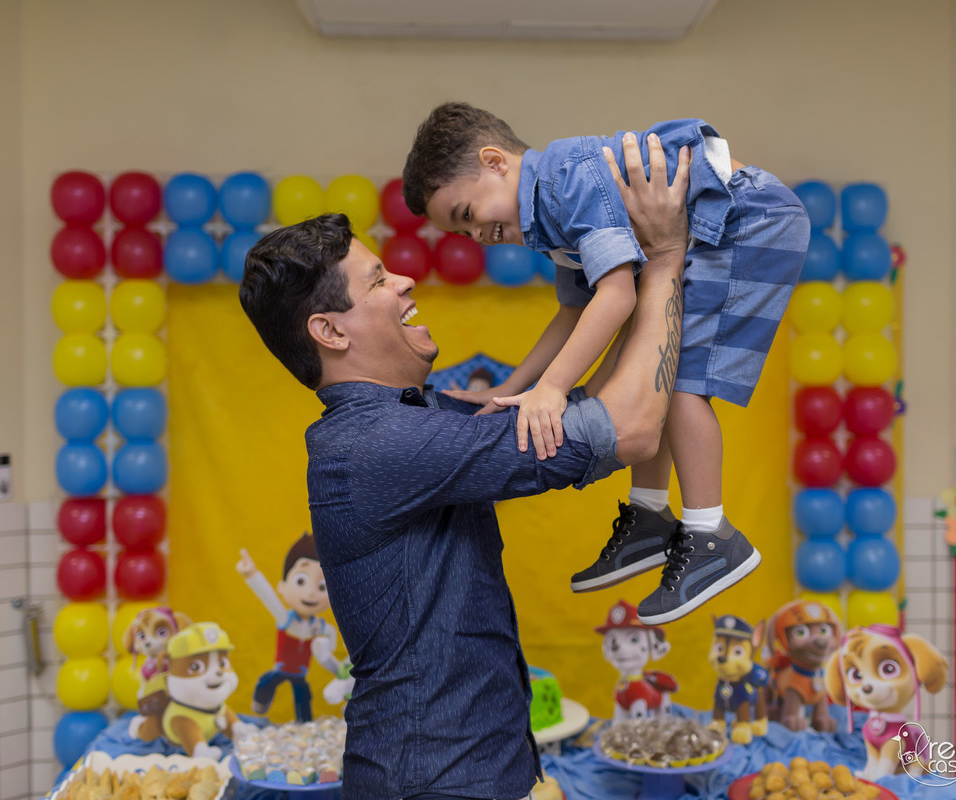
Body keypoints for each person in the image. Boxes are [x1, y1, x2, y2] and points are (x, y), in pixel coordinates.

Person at [239, 134, 688, 800]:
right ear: (331, 332)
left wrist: (620, 284)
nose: (405, 281)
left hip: (477, 772)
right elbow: (631, 427)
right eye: (378, 281)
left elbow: (596, 406)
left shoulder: (426, 417)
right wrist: (667, 258)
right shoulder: (381, 443)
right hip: (435, 782)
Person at [402, 102, 810, 625]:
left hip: (748, 219)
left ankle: (712, 534)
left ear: (495, 162)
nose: (476, 236)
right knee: (655, 368)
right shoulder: (548, 221)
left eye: (467, 215)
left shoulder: (565, 183)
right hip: (712, 233)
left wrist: (553, 388)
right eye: (462, 233)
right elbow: (574, 312)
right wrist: (513, 386)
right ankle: (650, 513)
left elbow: (617, 296)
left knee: (680, 382)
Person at [235, 535, 345, 721]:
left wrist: (327, 647)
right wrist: (251, 574)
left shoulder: (318, 626)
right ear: (282, 587)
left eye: (322, 586)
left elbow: (330, 637)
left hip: (300, 673)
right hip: (281, 668)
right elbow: (269, 599)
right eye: (301, 581)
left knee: (303, 695)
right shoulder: (286, 619)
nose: (310, 593)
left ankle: (305, 723)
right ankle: (260, 704)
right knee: (265, 682)